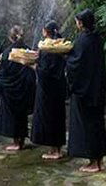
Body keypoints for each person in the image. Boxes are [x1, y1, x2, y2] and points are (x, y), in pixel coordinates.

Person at [66, 9, 106, 172]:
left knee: (87, 125)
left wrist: (66, 57)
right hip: (97, 87)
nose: (76, 24)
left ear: (81, 23)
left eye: (77, 21)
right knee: (97, 123)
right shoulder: (96, 38)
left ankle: (92, 163)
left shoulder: (83, 40)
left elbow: (76, 64)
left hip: (85, 91)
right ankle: (99, 160)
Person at [0, 25, 36, 151]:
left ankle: (16, 143)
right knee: (22, 115)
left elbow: (2, 71)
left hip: (11, 90)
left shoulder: (8, 52)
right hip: (24, 88)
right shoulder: (27, 50)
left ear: (10, 37)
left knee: (12, 115)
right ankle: (21, 141)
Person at [31, 21, 67, 160]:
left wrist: (33, 66)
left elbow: (45, 71)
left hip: (47, 89)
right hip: (58, 86)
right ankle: (56, 149)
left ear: (45, 31)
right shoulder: (59, 46)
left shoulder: (47, 47)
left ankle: (55, 151)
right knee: (57, 116)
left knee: (49, 117)